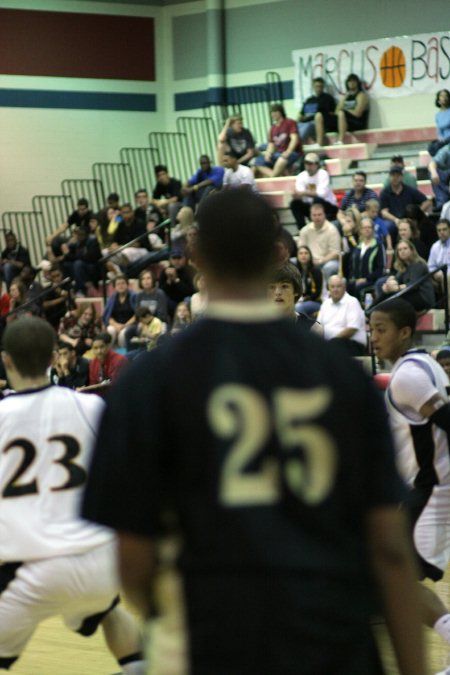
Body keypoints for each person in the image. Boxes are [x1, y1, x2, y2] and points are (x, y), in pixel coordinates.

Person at [82, 188, 425, 675]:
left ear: (193, 253)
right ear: (279, 253)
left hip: (212, 642)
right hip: (334, 646)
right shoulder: (340, 374)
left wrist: (168, 617)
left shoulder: (151, 380)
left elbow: (132, 560)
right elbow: (388, 550)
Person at [0, 317, 145, 674]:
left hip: (28, 566)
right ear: (53, 357)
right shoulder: (91, 407)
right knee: (110, 610)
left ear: (6, 361)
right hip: (97, 559)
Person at [370, 299, 450, 665]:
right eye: (371, 329)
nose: (373, 337)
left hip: (434, 490)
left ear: (404, 332)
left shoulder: (408, 376)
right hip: (430, 487)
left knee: (397, 579)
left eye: (381, 329)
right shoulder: (425, 363)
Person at [374, 240, 435, 313]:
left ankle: (372, 312)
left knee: (395, 299)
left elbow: (413, 285)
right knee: (387, 293)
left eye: (405, 248)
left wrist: (397, 288)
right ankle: (370, 311)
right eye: (399, 250)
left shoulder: (418, 264)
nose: (402, 251)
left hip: (423, 297)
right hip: (411, 294)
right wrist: (388, 285)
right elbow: (396, 280)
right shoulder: (403, 266)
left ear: (412, 250)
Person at [317, 274, 368, 356]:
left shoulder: (352, 302)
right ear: (328, 289)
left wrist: (331, 342)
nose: (335, 289)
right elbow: (318, 326)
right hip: (331, 344)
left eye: (338, 286)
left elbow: (351, 329)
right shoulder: (325, 304)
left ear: (344, 287)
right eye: (332, 287)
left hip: (352, 344)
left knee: (334, 346)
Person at [268, 262, 322, 333]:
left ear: (296, 291)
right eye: (272, 287)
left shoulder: (313, 329)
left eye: (284, 286)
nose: (277, 292)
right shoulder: (256, 328)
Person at [298, 202, 341, 286]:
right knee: (293, 261)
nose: (317, 217)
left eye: (319, 215)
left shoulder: (332, 230)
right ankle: (301, 291)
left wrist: (321, 261)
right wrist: (309, 260)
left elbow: (335, 253)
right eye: (314, 215)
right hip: (308, 261)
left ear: (324, 215)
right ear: (310, 216)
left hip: (326, 261)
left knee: (330, 267)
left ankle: (324, 292)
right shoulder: (305, 230)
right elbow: (301, 249)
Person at [290, 152, 337, 229]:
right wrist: (296, 195)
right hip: (310, 205)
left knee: (317, 200)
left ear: (317, 164)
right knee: (294, 204)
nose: (308, 166)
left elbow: (321, 194)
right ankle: (302, 229)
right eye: (306, 163)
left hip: (328, 206)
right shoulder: (301, 176)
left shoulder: (323, 174)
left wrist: (303, 193)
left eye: (311, 164)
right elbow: (299, 192)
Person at [253, 103, 302, 178]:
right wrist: (268, 154)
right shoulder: (272, 128)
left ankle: (273, 178)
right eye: (272, 112)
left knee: (282, 160)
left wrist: (288, 152)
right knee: (257, 162)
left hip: (293, 153)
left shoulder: (290, 122)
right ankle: (274, 176)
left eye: (275, 111)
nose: (273, 114)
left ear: (280, 112)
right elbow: (271, 144)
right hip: (277, 154)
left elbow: (294, 139)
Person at [347, 216, 385, 302]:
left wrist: (366, 279)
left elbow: (380, 269)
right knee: (346, 285)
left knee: (357, 287)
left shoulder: (378, 246)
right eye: (364, 228)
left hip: (370, 280)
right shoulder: (357, 247)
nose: (367, 229)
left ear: (372, 229)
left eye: (369, 227)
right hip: (355, 280)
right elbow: (351, 266)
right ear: (360, 230)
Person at [330, 73, 370, 144]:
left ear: (357, 83)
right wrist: (345, 111)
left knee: (342, 113)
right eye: (349, 81)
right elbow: (336, 111)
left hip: (357, 122)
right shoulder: (346, 96)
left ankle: (340, 140)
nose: (351, 83)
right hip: (346, 120)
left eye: (353, 81)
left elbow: (358, 113)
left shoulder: (361, 95)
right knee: (329, 117)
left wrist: (346, 111)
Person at [297, 77, 336, 146]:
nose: (319, 88)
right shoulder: (309, 100)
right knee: (295, 126)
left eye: (321, 86)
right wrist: (300, 119)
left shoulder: (328, 98)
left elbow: (332, 113)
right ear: (313, 87)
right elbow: (301, 114)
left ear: (323, 87)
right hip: (305, 121)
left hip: (317, 122)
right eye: (317, 86)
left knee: (307, 126)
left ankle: (297, 144)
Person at [102, 274, 137, 347]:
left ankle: (124, 354)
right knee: (110, 330)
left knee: (123, 334)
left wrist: (125, 325)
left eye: (123, 283)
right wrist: (116, 325)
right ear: (114, 287)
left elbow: (137, 315)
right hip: (116, 324)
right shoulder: (112, 298)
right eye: (118, 284)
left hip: (130, 324)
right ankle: (108, 352)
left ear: (127, 284)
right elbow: (108, 315)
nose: (121, 286)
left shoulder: (134, 296)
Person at [294, 244, 323, 316]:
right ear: (297, 256)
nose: (303, 255)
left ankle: (304, 327)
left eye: (306, 253)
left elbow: (318, 293)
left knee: (298, 308)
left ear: (310, 255)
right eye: (301, 253)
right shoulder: (295, 271)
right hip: (301, 300)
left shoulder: (316, 271)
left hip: (316, 301)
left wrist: (304, 299)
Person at [429, 89, 450, 157]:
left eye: (446, 96)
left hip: (448, 139)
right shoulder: (438, 115)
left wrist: (446, 139)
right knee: (431, 147)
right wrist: (441, 138)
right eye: (442, 96)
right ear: (438, 100)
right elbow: (439, 131)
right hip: (443, 141)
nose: (444, 98)